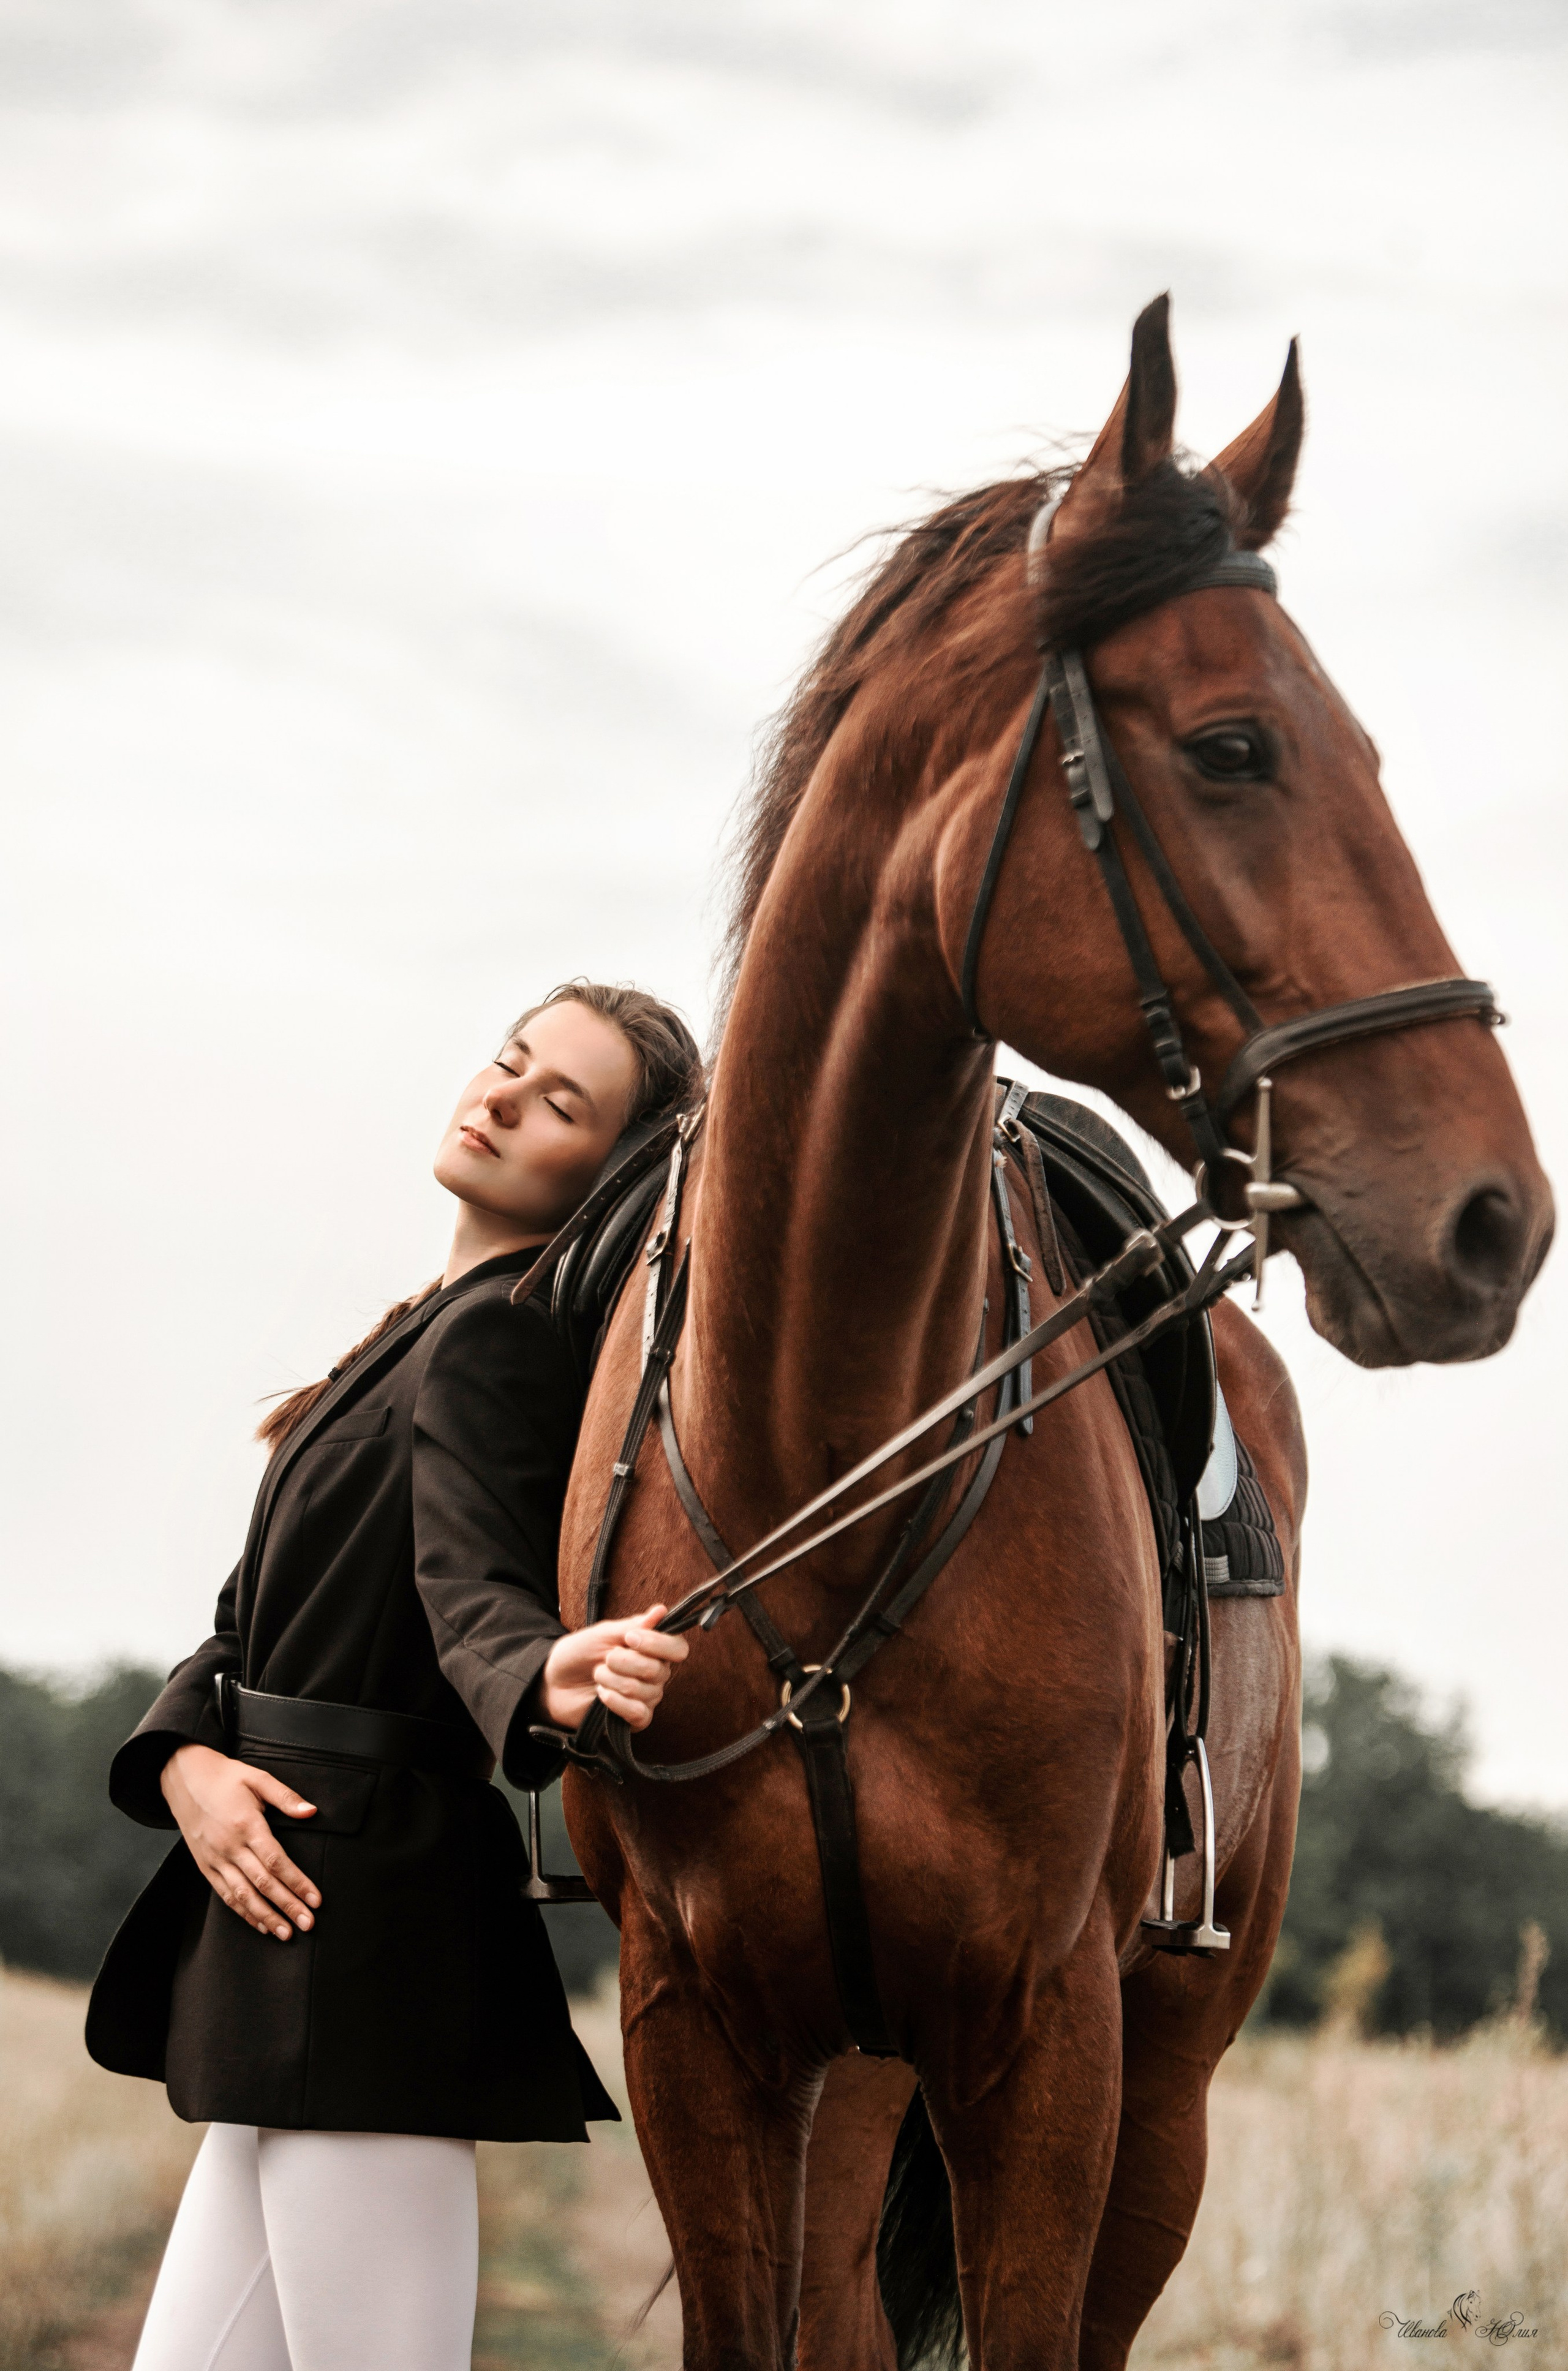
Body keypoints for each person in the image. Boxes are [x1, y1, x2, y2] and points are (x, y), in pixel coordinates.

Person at [86, 981, 701, 2371]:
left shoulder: (500, 1335)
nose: (498, 1098)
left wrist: (539, 1673)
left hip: (365, 1927)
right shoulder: (417, 1325)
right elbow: (245, 1622)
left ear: (604, 1175)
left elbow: (468, 1581)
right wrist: (185, 1761)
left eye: (559, 1103)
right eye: (509, 1062)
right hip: (291, 1913)